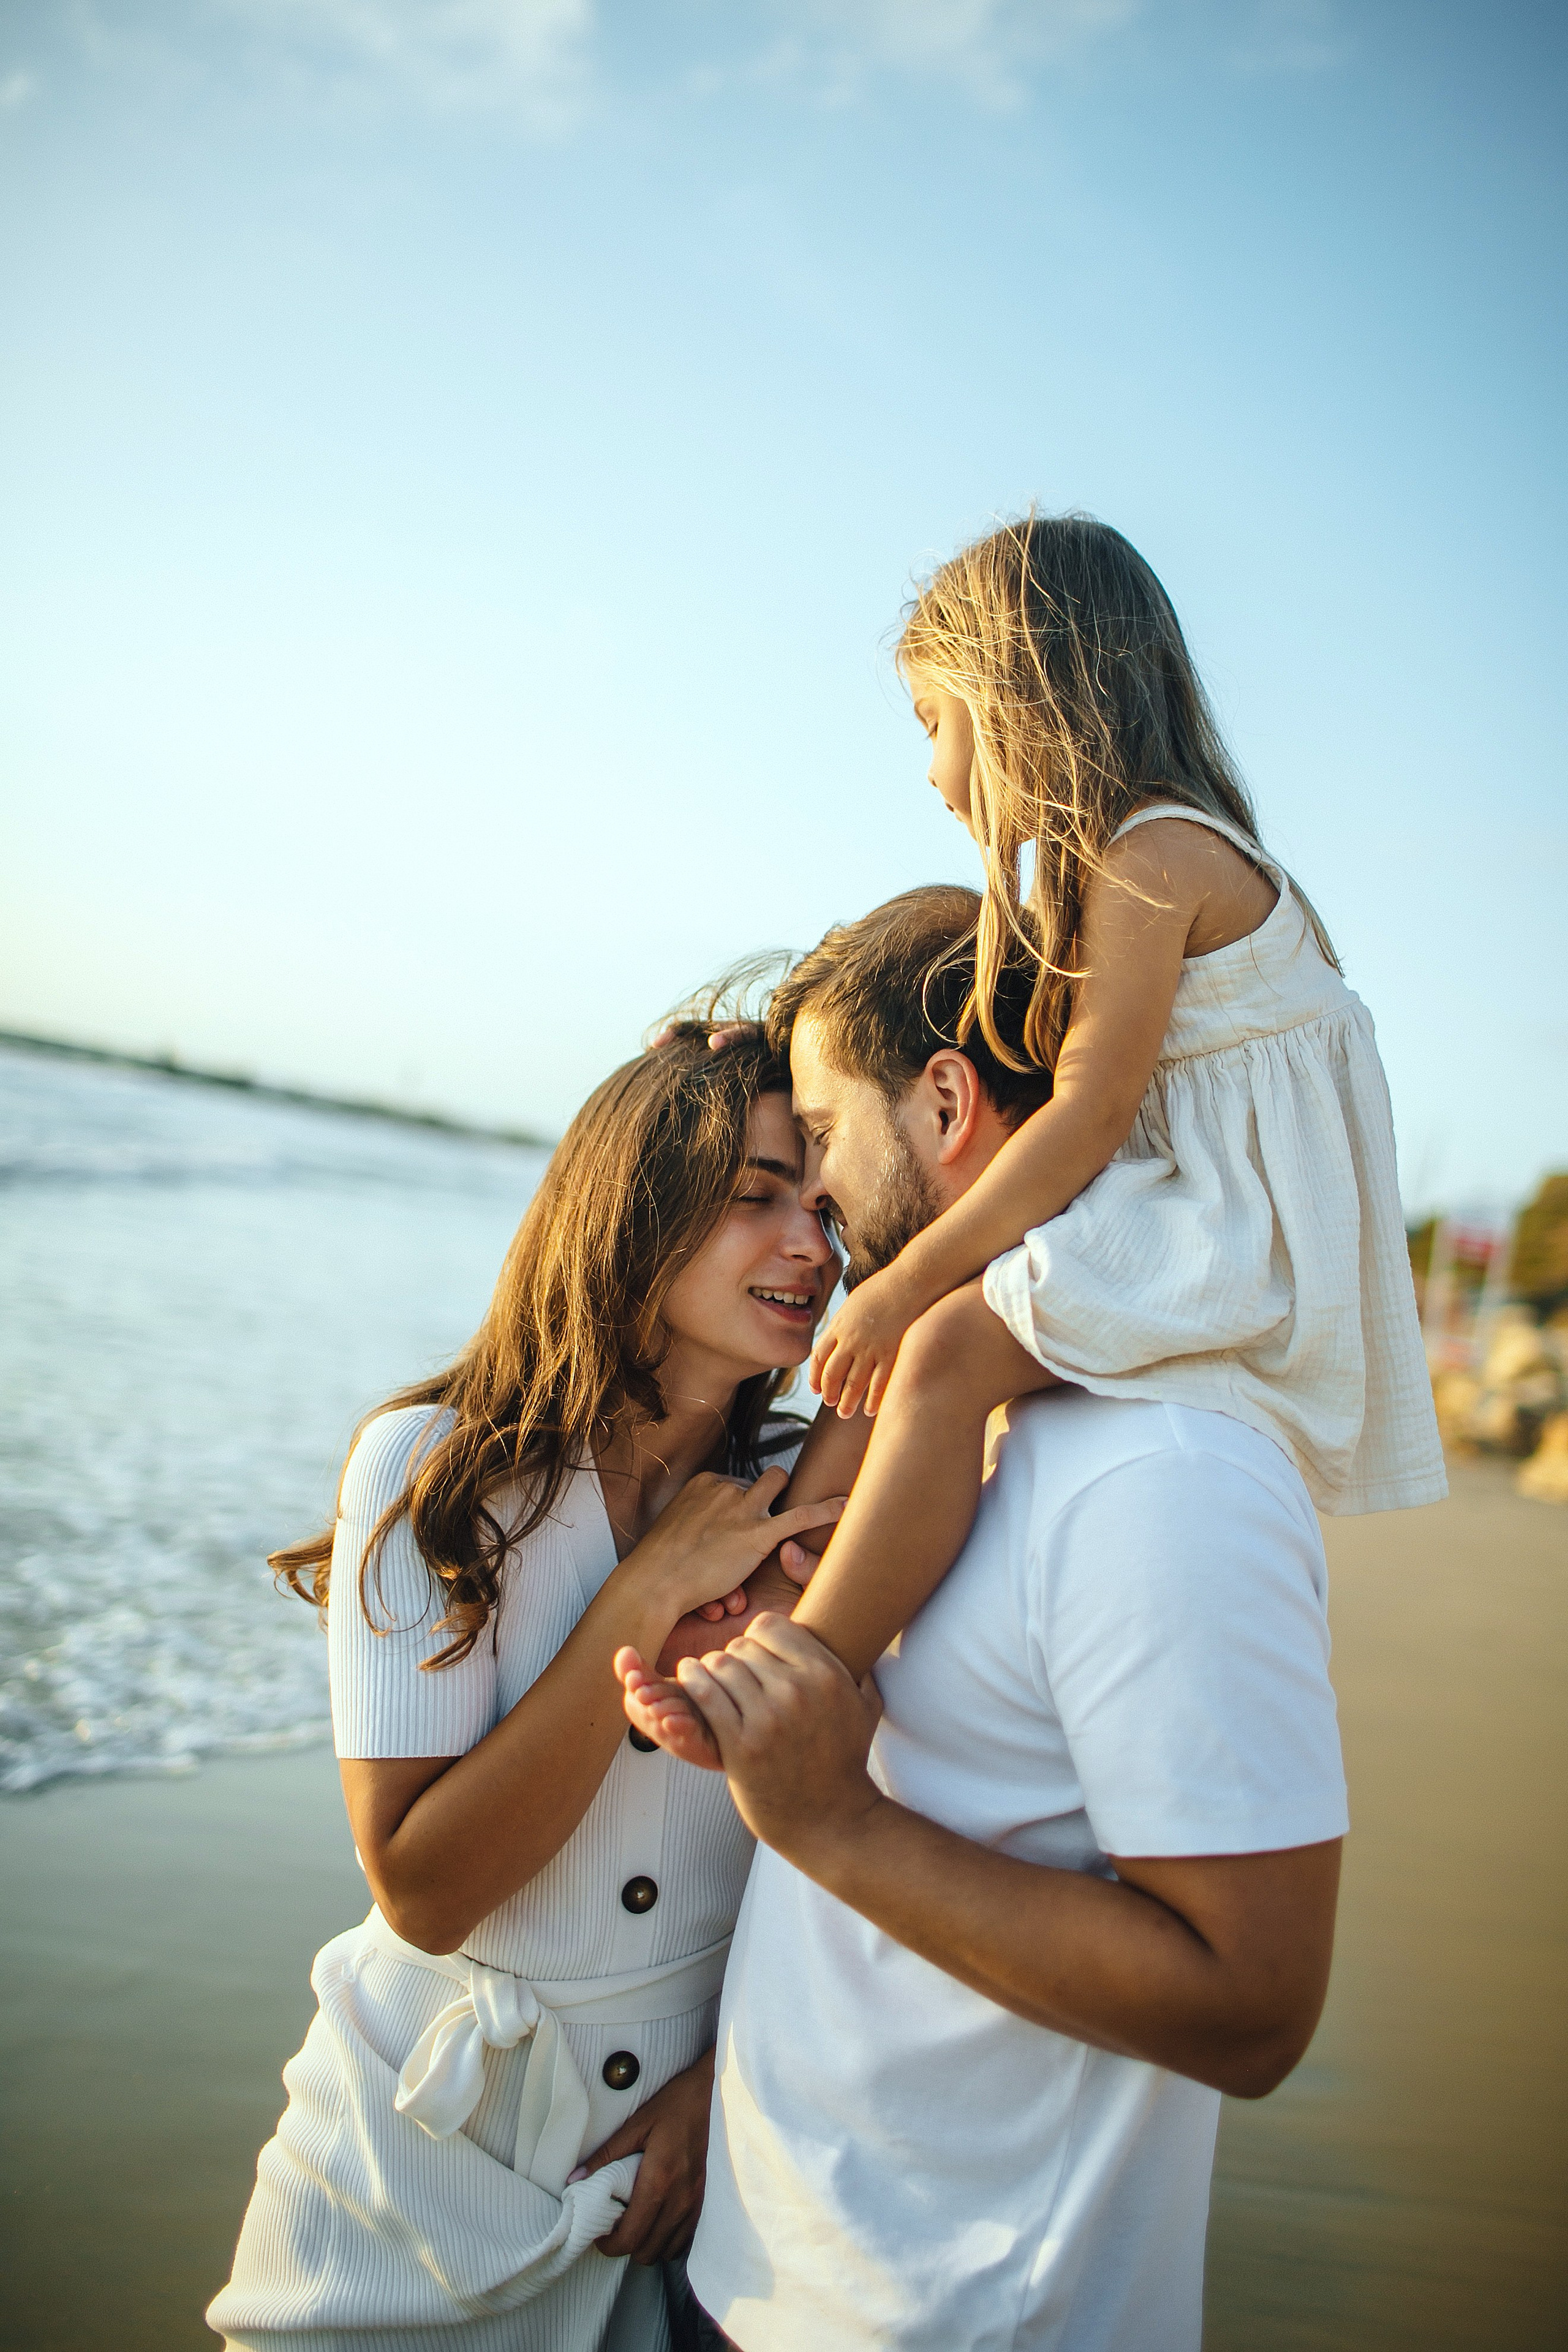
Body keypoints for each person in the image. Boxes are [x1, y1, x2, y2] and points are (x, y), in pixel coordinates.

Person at [618, 888, 1353, 2351]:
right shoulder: (941, 1419)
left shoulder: (1161, 1479)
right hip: (767, 2259)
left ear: (946, 1100)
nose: (813, 1209)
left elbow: (1253, 2009)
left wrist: (828, 1822)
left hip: (944, 2314)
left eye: (822, 1142)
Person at [719, 513, 1446, 1691]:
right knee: (944, 1315)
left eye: (934, 723)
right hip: (1199, 1205)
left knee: (945, 1340)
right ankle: (780, 1597)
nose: (931, 770)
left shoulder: (1151, 858)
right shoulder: (1138, 864)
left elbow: (1088, 1116)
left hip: (1224, 1232)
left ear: (1016, 694)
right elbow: (968, 1029)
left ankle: (800, 1668)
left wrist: (900, 1285)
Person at [207, 1012, 844, 2352]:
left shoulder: (817, 1497)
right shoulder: (433, 1475)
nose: (811, 1247)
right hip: (398, 2186)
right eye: (754, 1199)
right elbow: (423, 1888)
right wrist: (639, 1594)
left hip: (670, 2194)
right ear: (634, 1213)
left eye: (825, 1206)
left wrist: (721, 2080)